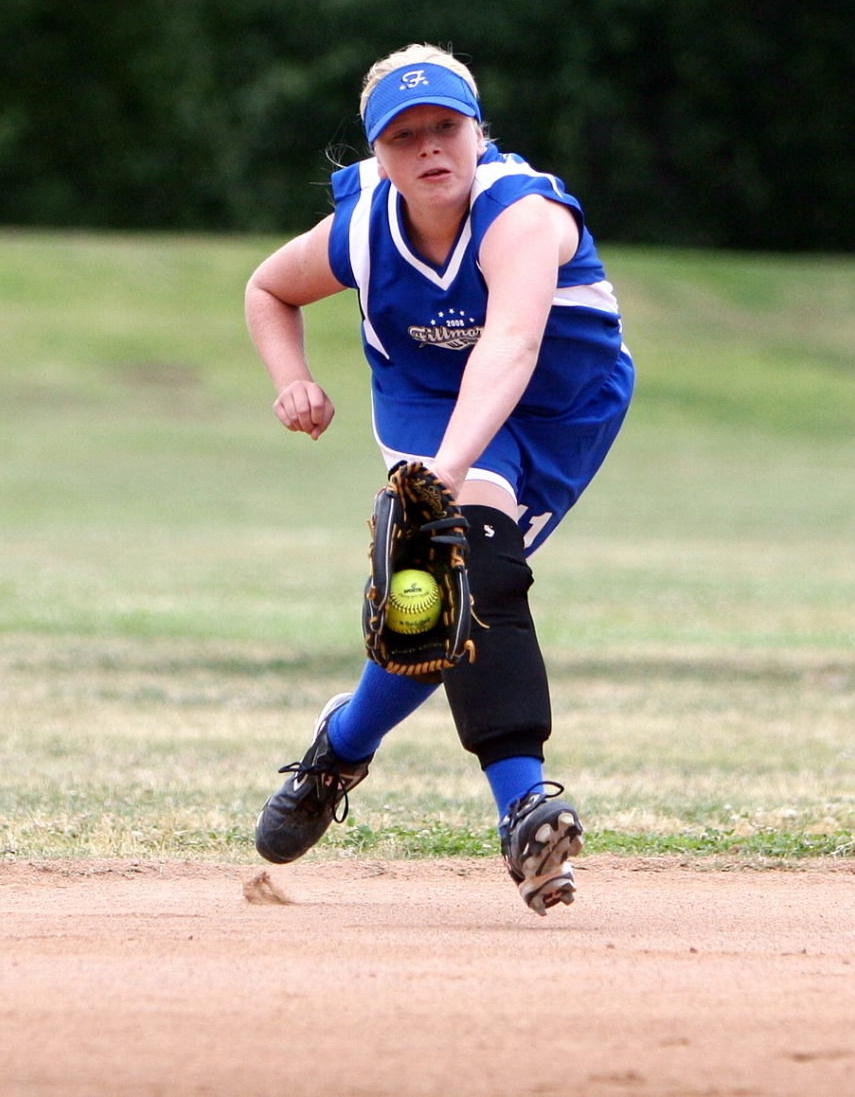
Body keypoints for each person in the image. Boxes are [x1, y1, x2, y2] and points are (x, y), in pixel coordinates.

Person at [244, 44, 634, 914]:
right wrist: (290, 379)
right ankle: (526, 809)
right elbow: (267, 289)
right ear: (377, 154)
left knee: (434, 608)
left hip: (561, 406)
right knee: (471, 567)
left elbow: (512, 345)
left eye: (446, 127)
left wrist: (445, 474)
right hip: (427, 397)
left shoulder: (520, 215)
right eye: (403, 135)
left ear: (478, 130)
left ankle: (340, 745)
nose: (429, 150)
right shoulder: (362, 228)